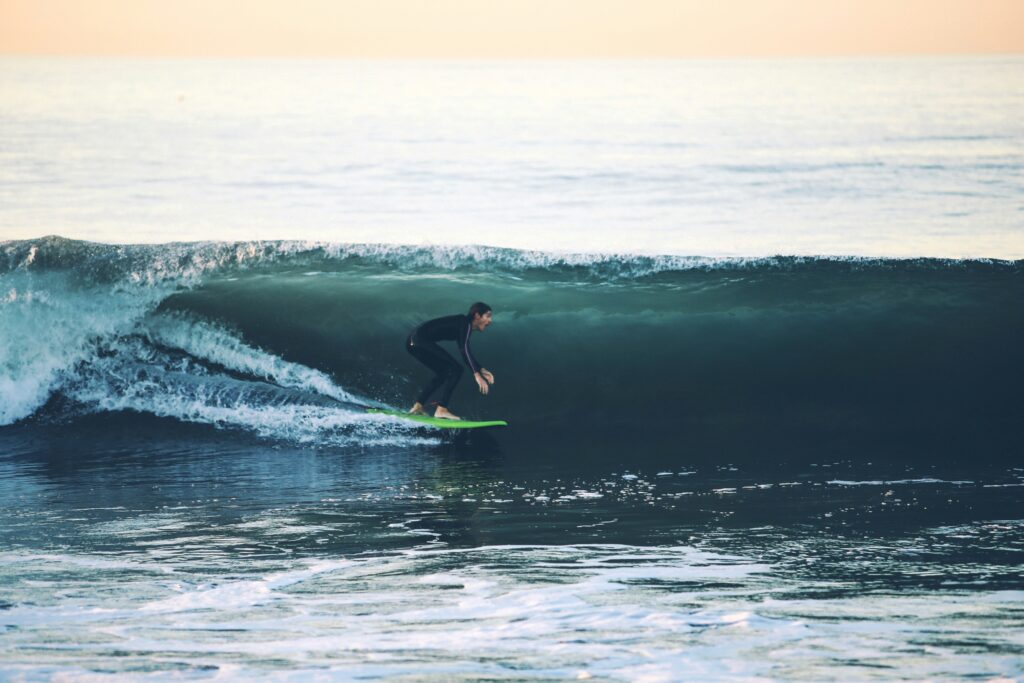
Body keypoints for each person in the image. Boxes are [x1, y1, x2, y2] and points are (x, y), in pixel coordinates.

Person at [406, 302, 495, 420]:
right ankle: (441, 409)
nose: (490, 320)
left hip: (413, 342)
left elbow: (464, 351)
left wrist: (480, 369)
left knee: (444, 372)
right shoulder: (465, 324)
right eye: (488, 316)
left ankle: (417, 406)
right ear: (477, 316)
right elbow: (464, 349)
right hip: (419, 340)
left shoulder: (462, 325)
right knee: (456, 370)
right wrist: (477, 375)